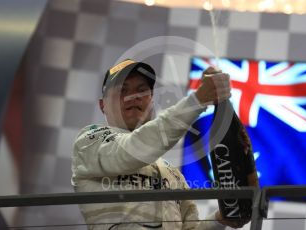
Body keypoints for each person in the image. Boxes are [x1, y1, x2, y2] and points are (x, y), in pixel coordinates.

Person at [71, 59, 246, 229]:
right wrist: (197, 101)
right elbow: (131, 150)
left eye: (142, 90)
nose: (134, 97)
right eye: (123, 91)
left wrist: (219, 220)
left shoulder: (172, 173)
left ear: (152, 101)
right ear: (103, 105)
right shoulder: (89, 142)